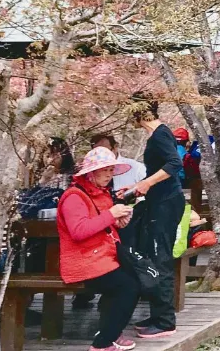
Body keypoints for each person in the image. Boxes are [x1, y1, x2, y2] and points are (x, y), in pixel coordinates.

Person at [56, 146, 138, 351]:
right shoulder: (74, 196)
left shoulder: (101, 193)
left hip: (103, 256)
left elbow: (101, 224)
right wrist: (111, 215)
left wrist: (118, 223)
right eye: (105, 170)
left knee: (134, 279)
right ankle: (102, 343)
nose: (109, 175)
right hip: (83, 261)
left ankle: (111, 331)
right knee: (128, 286)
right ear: (91, 172)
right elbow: (79, 231)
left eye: (111, 170)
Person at [121, 101, 186, 339]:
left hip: (166, 204)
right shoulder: (157, 135)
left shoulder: (160, 134)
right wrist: (137, 185)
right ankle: (157, 314)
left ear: (139, 111)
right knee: (153, 255)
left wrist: (147, 183)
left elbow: (175, 163)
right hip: (158, 202)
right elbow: (157, 171)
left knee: (161, 258)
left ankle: (165, 321)